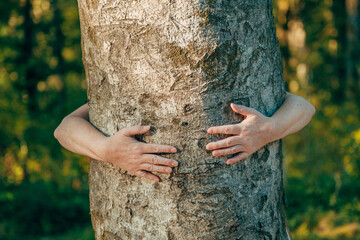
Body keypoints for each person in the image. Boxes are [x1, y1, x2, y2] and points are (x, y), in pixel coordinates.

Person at [54, 92, 315, 182]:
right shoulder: (122, 88)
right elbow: (64, 129)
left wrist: (269, 130)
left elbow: (303, 106)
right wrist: (107, 149)